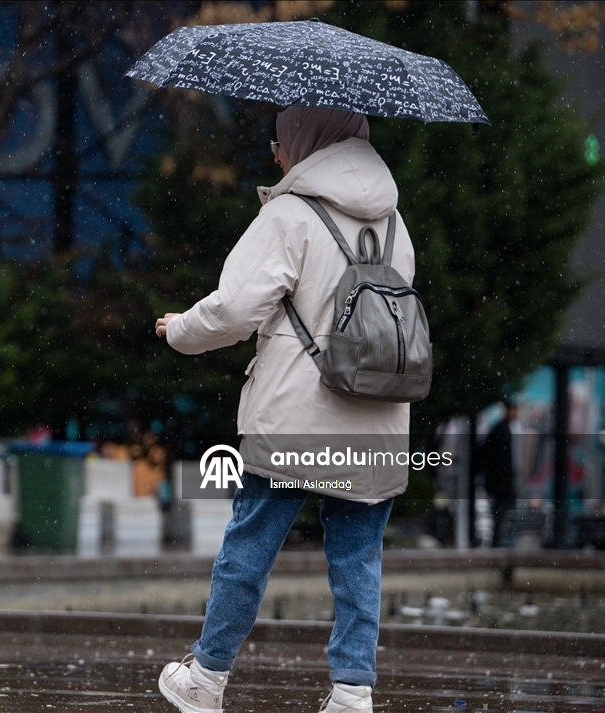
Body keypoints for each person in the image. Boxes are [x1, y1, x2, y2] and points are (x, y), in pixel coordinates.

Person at [154, 106, 416, 713]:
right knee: (359, 559)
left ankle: (205, 679)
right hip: (378, 416)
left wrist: (180, 329)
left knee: (250, 547)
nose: (276, 154)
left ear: (305, 140)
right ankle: (352, 693)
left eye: (280, 141)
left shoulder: (288, 215)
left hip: (296, 415)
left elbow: (233, 311)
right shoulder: (395, 225)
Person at [475, 401, 519, 547]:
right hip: (500, 481)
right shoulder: (501, 430)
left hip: (500, 481)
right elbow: (496, 458)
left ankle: (499, 540)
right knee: (501, 512)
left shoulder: (502, 429)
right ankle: (499, 541)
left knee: (500, 513)